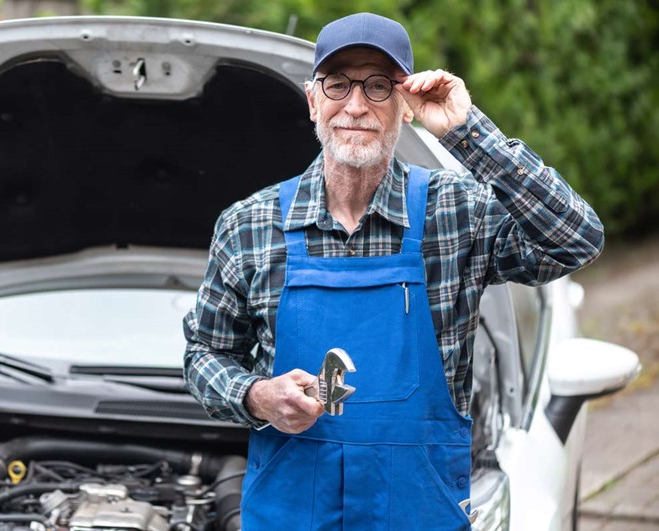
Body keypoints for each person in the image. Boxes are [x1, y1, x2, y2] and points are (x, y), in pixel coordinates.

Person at [183, 12, 603, 530]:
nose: (356, 105)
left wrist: (468, 133)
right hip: (289, 513)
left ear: (405, 106)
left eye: (379, 86)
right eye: (338, 84)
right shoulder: (250, 225)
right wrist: (255, 396)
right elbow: (204, 354)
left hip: (420, 513)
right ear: (313, 99)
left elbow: (576, 241)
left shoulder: (456, 214)